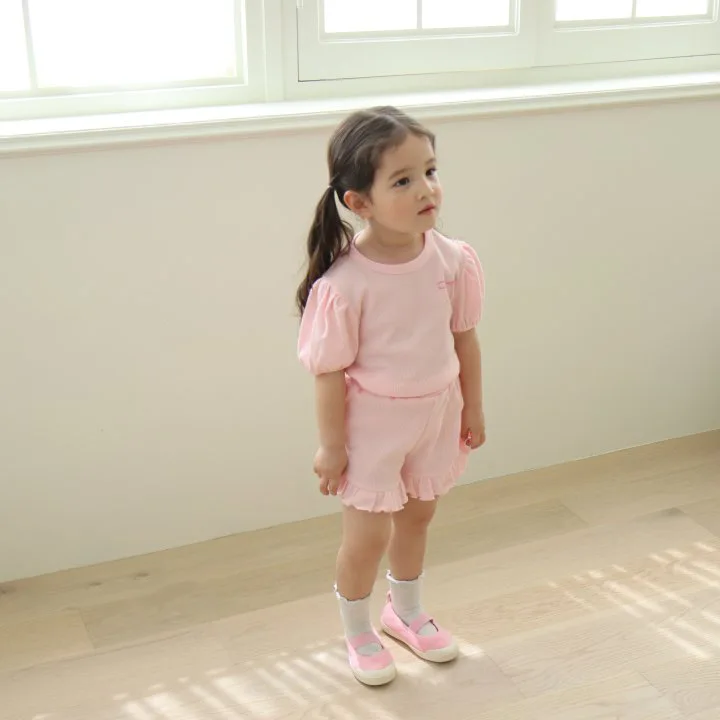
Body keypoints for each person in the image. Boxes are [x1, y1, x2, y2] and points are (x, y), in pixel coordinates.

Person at [296, 106, 485, 686]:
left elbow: (464, 337)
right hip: (374, 431)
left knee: (419, 516)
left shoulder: (451, 259)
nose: (426, 189)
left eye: (430, 171)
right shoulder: (346, 284)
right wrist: (332, 446)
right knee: (367, 536)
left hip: (436, 415)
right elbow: (329, 373)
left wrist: (474, 406)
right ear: (360, 202)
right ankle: (358, 629)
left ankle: (405, 611)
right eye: (402, 180)